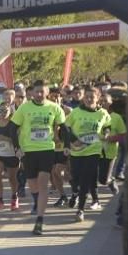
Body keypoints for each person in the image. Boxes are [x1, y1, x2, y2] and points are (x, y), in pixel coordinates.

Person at [11, 80, 67, 235]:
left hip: (46, 150)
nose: (39, 94)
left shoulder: (55, 108)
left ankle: (40, 220)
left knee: (42, 185)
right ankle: (36, 201)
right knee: (32, 185)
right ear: (32, 93)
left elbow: (64, 128)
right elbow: (12, 128)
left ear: (47, 92)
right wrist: (17, 148)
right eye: (37, 91)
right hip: (28, 151)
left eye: (42, 92)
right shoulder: (24, 108)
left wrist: (67, 143)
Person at [66, 86, 110, 221]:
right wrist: (74, 140)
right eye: (87, 97)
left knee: (86, 180)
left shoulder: (103, 113)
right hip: (77, 151)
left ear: (98, 98)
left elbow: (107, 126)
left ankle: (80, 210)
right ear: (83, 98)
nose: (89, 99)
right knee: (76, 179)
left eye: (92, 97)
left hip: (93, 151)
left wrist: (107, 134)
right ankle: (75, 193)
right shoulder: (76, 112)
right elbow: (65, 128)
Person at [0, 103, 21, 211]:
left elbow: (18, 140)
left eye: (5, 111)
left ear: (10, 112)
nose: (2, 113)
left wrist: (5, 138)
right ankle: (0, 200)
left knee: (12, 178)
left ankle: (14, 197)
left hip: (11, 154)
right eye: (0, 111)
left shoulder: (13, 124)